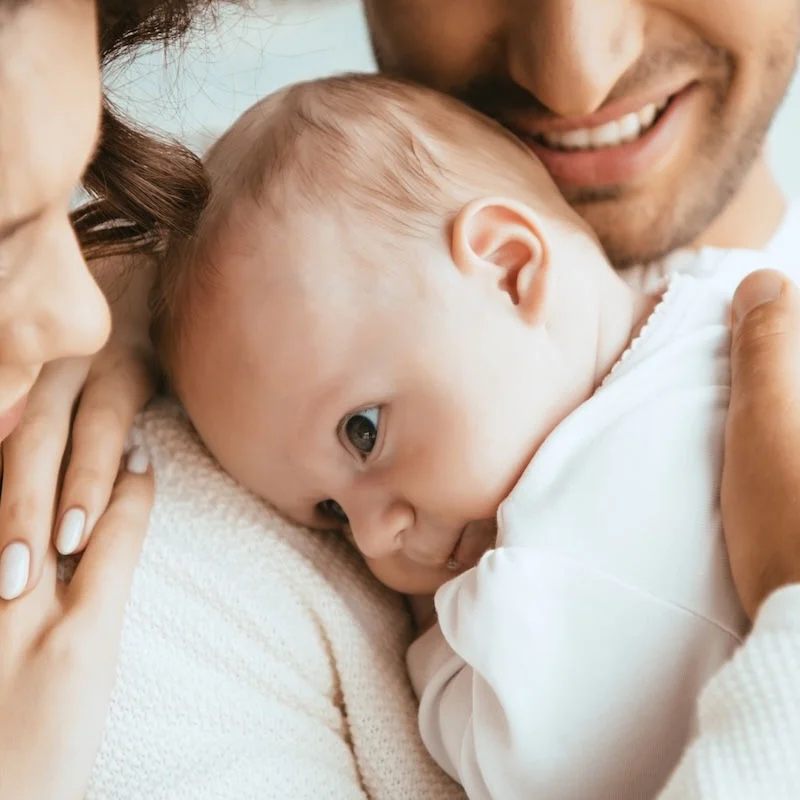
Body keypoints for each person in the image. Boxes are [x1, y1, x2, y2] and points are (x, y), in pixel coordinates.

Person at [0, 0, 799, 798]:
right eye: (331, 516)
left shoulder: (726, 328)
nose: (576, 75)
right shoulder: (169, 515)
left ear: (510, 268)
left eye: (364, 432)